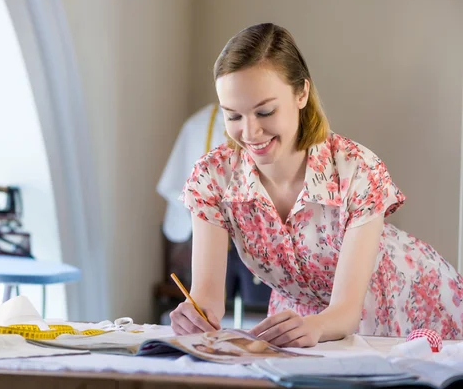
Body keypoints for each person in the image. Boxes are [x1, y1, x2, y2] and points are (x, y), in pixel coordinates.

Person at [169, 22, 463, 346]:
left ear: (302, 93)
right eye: (233, 116)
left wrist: (316, 327)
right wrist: (195, 315)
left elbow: (346, 312)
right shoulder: (213, 178)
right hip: (302, 323)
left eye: (265, 111)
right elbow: (207, 299)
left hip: (406, 302)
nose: (250, 133)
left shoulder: (356, 169)